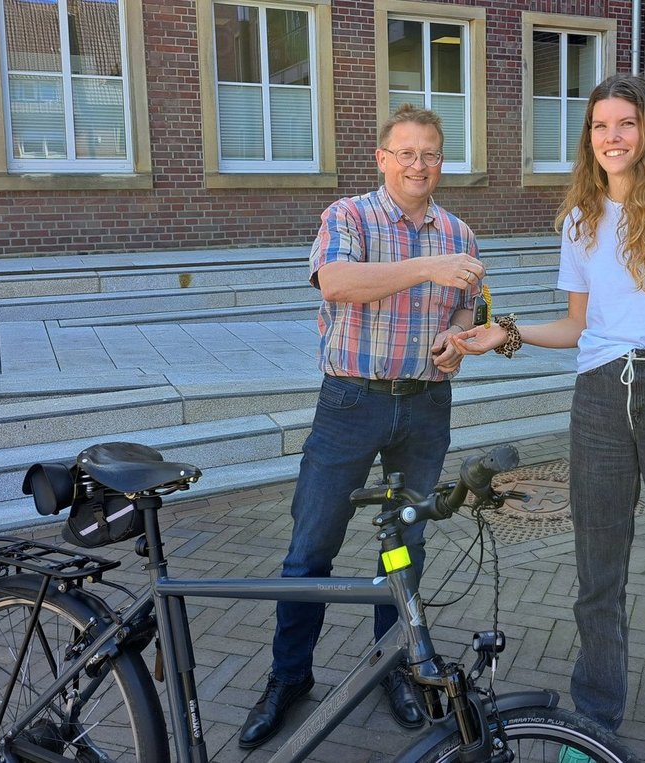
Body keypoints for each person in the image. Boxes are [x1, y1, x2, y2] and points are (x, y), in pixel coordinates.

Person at [452, 75, 645, 763]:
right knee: (596, 577)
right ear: (589, 137)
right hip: (600, 397)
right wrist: (505, 332)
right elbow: (578, 325)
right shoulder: (580, 217)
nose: (613, 136)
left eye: (626, 123)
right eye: (601, 125)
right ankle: (595, 722)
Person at [238, 103, 485, 749]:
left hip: (425, 407)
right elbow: (337, 281)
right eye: (405, 151)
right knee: (311, 546)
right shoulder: (348, 216)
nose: (418, 164)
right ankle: (289, 676)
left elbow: (467, 311)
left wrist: (457, 340)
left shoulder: (460, 230)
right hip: (350, 402)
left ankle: (393, 665)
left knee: (403, 548)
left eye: (429, 152)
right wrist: (427, 267)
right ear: (382, 158)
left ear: (441, 161)